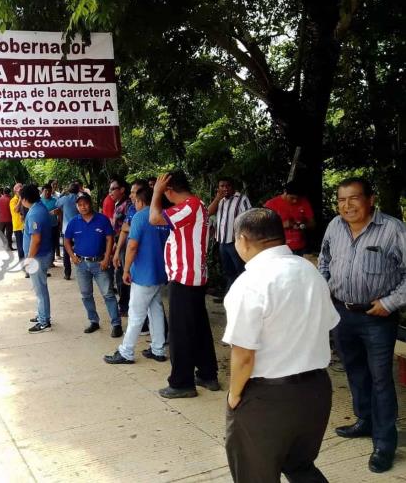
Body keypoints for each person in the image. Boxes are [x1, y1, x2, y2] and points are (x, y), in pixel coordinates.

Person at [223, 208, 338, 483]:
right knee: (301, 467)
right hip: (315, 391)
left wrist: (234, 395)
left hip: (267, 398)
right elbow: (328, 325)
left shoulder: (249, 283)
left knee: (254, 475)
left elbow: (243, 355)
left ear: (243, 239)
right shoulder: (310, 272)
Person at [318, 177, 406, 474]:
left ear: (371, 199)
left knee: (381, 378)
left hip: (377, 316)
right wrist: (326, 288)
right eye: (341, 200)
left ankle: (384, 443)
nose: (347, 205)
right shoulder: (334, 226)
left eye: (353, 198)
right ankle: (365, 420)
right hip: (342, 313)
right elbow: (325, 260)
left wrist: (391, 303)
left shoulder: (392, 229)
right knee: (355, 371)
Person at [150, 171, 219, 399]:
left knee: (181, 333)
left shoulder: (189, 206)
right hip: (191, 277)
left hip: (185, 278)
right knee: (198, 328)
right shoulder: (195, 205)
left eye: (163, 190)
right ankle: (207, 374)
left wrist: (156, 194)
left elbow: (154, 218)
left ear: (169, 190)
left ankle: (181, 383)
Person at [105, 186, 169, 364]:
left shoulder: (141, 217)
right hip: (159, 272)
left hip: (143, 274)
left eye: (135, 200)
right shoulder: (163, 216)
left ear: (141, 201)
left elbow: (132, 246)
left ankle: (126, 352)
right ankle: (158, 349)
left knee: (136, 314)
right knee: (155, 310)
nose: (134, 202)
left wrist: (125, 270)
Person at [64, 193, 122, 337]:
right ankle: (93, 321)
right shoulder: (73, 222)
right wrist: (72, 256)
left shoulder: (102, 219)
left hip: (99, 263)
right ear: (77, 207)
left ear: (91, 204)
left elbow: (109, 239)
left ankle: (116, 324)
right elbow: (66, 241)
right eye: (80, 205)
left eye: (85, 203)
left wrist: (107, 258)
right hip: (81, 264)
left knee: (108, 294)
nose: (83, 207)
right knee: (86, 295)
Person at [208, 177, 251, 293]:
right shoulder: (220, 201)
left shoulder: (241, 199)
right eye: (222, 186)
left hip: (236, 242)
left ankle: (244, 296)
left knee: (241, 271)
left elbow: (249, 219)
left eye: (228, 186)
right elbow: (208, 213)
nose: (225, 189)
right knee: (228, 271)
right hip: (222, 242)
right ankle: (229, 296)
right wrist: (217, 198)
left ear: (233, 187)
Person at [22, 185, 54, 333]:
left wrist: (29, 259)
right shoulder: (40, 208)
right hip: (42, 255)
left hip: (38, 257)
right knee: (41, 288)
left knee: (40, 290)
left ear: (24, 199)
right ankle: (42, 314)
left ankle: (44, 321)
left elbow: (36, 240)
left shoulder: (35, 213)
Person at [264, 181, 315, 255]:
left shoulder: (304, 202)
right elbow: (262, 227)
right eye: (292, 198)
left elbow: (312, 223)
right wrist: (282, 225)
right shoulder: (271, 204)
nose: (295, 201)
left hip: (300, 248)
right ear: (285, 192)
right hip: (278, 248)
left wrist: (302, 225)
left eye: (297, 199)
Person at [109, 178, 132, 316]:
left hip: (126, 245)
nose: (110, 192)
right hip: (119, 244)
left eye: (113, 188)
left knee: (123, 274)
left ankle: (125, 306)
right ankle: (124, 304)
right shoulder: (118, 204)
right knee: (119, 274)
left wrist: (118, 244)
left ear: (122, 189)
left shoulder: (128, 205)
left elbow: (127, 228)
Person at [55, 182, 80, 280]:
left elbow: (56, 203)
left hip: (67, 230)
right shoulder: (80, 199)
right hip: (79, 229)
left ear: (69, 190)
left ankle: (67, 273)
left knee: (66, 252)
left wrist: (62, 194)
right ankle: (81, 271)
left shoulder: (65, 199)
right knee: (79, 251)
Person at [40, 185, 60, 267]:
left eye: (49, 191)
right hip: (43, 227)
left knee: (53, 244)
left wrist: (58, 212)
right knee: (44, 244)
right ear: (42, 191)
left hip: (54, 226)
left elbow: (60, 211)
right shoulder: (39, 201)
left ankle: (51, 261)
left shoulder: (55, 200)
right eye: (45, 191)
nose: (47, 192)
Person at [10, 183, 25, 261]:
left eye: (22, 189)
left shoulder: (24, 199)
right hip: (18, 227)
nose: (21, 191)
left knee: (26, 246)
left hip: (25, 226)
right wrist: (20, 199)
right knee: (20, 247)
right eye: (20, 189)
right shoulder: (13, 200)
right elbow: (16, 210)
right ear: (15, 190)